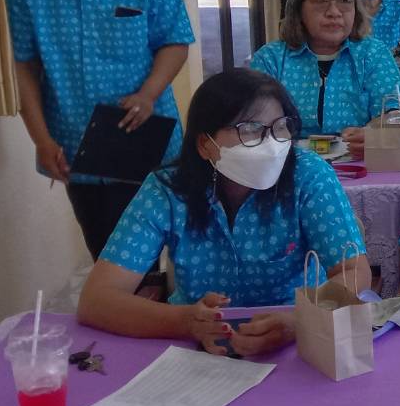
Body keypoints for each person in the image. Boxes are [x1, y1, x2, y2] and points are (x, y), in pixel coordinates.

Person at [76, 69, 370, 354]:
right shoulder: (167, 189)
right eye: (251, 129)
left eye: (281, 127)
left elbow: (355, 272)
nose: (272, 145)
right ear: (205, 144)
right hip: (197, 349)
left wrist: (300, 321)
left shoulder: (308, 175)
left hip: (299, 340)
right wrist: (186, 322)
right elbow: (97, 300)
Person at [8, 0, 194, 257]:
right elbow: (22, 66)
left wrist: (148, 94)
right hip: (77, 142)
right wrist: (40, 140)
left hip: (147, 134)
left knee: (172, 250)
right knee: (107, 253)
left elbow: (175, 41)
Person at [249, 0, 400, 149]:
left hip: (360, 162)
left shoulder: (372, 54)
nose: (334, 12)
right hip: (287, 163)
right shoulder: (271, 59)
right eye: (321, 1)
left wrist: (376, 132)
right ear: (298, 10)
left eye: (344, 2)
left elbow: (398, 113)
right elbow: (252, 123)